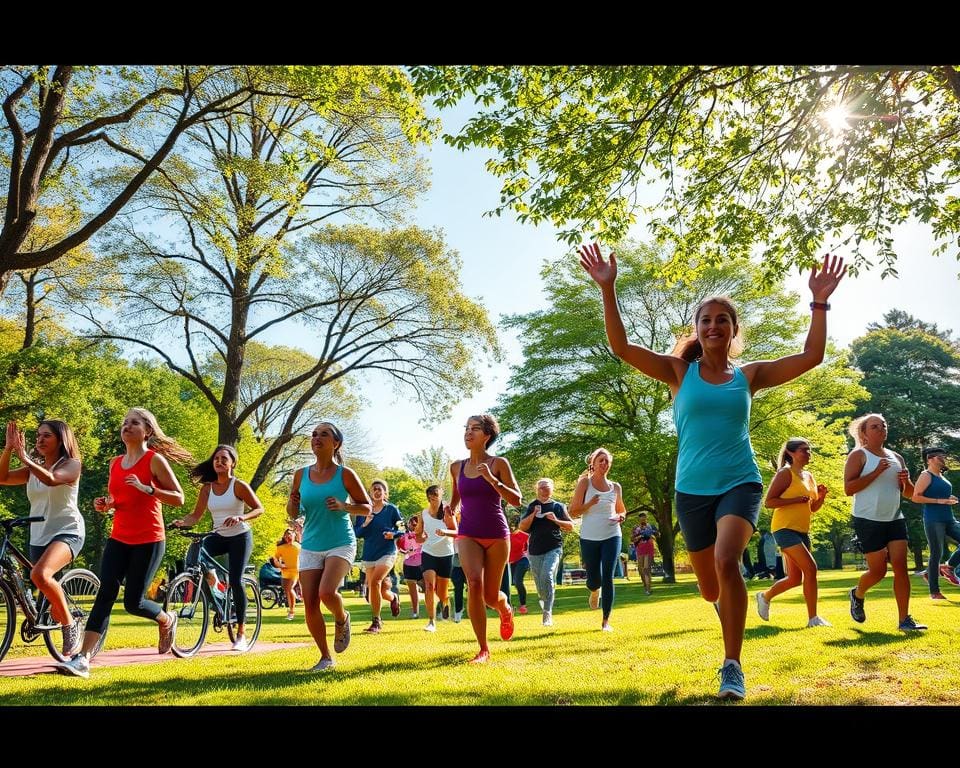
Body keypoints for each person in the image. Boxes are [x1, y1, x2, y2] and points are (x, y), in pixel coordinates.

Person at [580, 241, 845, 700]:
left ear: (733, 329)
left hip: (740, 483)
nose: (713, 325)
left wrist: (819, 302)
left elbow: (810, 357)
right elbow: (621, 347)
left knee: (728, 561)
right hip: (692, 491)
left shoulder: (750, 375)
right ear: (697, 330)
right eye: (706, 319)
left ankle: (732, 665)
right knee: (709, 588)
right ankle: (726, 615)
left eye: (722, 319)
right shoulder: (678, 372)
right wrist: (608, 288)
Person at [58, 407, 192, 678]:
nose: (127, 426)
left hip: (149, 539)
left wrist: (149, 489)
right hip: (119, 537)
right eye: (124, 423)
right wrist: (105, 505)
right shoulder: (115, 463)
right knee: (105, 593)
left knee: (134, 603)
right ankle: (83, 658)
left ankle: (167, 619)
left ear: (148, 431)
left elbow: (179, 498)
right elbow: (117, 499)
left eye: (134, 423)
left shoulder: (154, 461)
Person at [288, 422, 372, 671]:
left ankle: (341, 617)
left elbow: (366, 507)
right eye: (314, 434)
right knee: (311, 603)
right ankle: (326, 657)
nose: (317, 438)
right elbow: (293, 511)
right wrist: (292, 503)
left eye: (324, 434)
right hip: (311, 544)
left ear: (336, 443)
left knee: (327, 593)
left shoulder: (345, 474)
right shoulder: (300, 475)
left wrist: (345, 506)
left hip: (340, 542)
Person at [0, 420, 84, 657]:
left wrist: (24, 457)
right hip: (38, 535)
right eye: (38, 435)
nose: (40, 439)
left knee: (40, 574)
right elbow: (2, 477)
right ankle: (59, 617)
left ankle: (71, 625)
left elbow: (52, 479)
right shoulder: (32, 470)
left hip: (67, 531)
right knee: (49, 600)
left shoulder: (72, 465)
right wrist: (8, 449)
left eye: (46, 435)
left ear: (61, 440)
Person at [172, 444, 264, 650]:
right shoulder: (207, 489)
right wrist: (182, 521)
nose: (219, 462)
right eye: (216, 459)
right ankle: (217, 590)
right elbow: (195, 516)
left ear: (232, 463)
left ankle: (241, 633)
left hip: (240, 537)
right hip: (218, 535)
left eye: (224, 458)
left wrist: (242, 516)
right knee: (195, 558)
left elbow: (259, 508)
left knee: (236, 579)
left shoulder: (238, 486)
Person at [448, 413, 522, 663]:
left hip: (497, 534)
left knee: (491, 596)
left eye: (475, 429)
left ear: (487, 436)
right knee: (474, 584)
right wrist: (451, 508)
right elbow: (457, 495)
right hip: (468, 532)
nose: (469, 432)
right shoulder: (456, 467)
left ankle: (504, 608)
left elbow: (516, 500)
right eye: (467, 428)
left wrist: (492, 480)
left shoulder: (499, 463)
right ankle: (483, 649)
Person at [845, 414, 926, 632]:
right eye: (875, 426)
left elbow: (909, 493)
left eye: (883, 425)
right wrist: (876, 472)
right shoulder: (858, 456)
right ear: (864, 433)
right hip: (867, 519)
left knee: (901, 567)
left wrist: (906, 481)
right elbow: (849, 489)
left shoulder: (897, 457)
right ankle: (857, 593)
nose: (881, 429)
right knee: (878, 571)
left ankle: (904, 620)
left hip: (894, 518)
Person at [755, 438, 830, 627]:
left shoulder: (809, 476)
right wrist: (795, 500)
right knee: (811, 568)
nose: (808, 453)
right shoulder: (785, 474)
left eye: (809, 450)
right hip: (784, 528)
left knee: (796, 578)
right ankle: (813, 618)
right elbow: (769, 502)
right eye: (804, 450)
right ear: (791, 453)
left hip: (802, 530)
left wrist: (820, 497)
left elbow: (812, 508)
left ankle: (765, 596)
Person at [569, 448, 627, 632]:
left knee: (608, 576)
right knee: (594, 579)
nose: (604, 463)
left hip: (612, 534)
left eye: (607, 461)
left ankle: (606, 621)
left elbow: (621, 509)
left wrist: (621, 516)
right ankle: (594, 590)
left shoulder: (615, 487)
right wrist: (589, 504)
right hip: (589, 536)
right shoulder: (585, 482)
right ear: (593, 463)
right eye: (600, 460)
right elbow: (573, 511)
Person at [519, 478, 573, 626]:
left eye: (547, 487)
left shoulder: (558, 506)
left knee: (547, 575)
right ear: (537, 489)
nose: (544, 490)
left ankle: (547, 613)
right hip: (535, 550)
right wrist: (533, 514)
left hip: (554, 547)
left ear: (552, 489)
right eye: (541, 487)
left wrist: (556, 520)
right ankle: (544, 598)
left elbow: (570, 526)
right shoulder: (531, 506)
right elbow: (522, 527)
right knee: (539, 583)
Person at [355, 478, 403, 633]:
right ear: (369, 493)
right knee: (378, 590)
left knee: (375, 582)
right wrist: (365, 523)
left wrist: (393, 534)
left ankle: (376, 621)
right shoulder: (363, 511)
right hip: (369, 553)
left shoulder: (392, 509)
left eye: (379, 489)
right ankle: (393, 597)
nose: (376, 491)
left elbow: (402, 529)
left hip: (388, 551)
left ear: (385, 493)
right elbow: (357, 533)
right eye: (373, 489)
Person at [912, 447, 960, 599]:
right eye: (940, 456)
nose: (943, 459)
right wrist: (939, 500)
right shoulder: (926, 475)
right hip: (934, 519)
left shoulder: (941, 476)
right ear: (930, 459)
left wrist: (949, 498)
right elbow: (916, 497)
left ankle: (949, 566)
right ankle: (935, 591)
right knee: (936, 553)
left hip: (949, 518)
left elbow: (940, 493)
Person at [416, 485, 456, 632]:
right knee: (429, 586)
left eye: (435, 496)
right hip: (428, 552)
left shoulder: (448, 512)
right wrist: (422, 536)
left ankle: (445, 601)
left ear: (441, 496)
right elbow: (418, 538)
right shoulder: (424, 514)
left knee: (441, 592)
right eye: (430, 497)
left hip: (446, 553)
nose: (433, 500)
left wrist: (445, 531)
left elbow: (457, 532)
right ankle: (431, 622)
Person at [397, 516, 423, 617]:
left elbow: (423, 547)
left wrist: (414, 551)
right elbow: (400, 548)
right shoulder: (404, 536)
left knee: (428, 587)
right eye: (411, 524)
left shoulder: (422, 535)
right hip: (408, 564)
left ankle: (437, 607)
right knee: (412, 589)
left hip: (422, 564)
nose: (412, 526)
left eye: (415, 524)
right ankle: (415, 612)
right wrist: (405, 552)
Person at [272, 528, 301, 619]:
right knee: (287, 590)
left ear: (294, 536)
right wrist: (280, 565)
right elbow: (275, 559)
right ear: (284, 537)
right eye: (287, 535)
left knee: (290, 588)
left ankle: (292, 611)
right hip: (285, 571)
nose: (289, 536)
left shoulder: (298, 546)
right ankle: (291, 610)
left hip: (296, 571)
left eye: (290, 534)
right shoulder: (280, 548)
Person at [631, 512, 659, 595]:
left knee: (646, 569)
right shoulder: (636, 528)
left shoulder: (651, 527)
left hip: (649, 549)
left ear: (646, 518)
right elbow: (632, 539)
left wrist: (652, 535)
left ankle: (648, 589)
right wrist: (639, 536)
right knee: (641, 569)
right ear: (639, 519)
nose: (643, 519)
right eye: (641, 518)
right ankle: (645, 585)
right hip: (640, 550)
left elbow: (658, 535)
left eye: (644, 518)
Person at [507, 518, 530, 613]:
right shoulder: (502, 536)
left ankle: (523, 605)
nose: (511, 527)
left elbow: (531, 545)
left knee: (517, 581)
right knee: (507, 584)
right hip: (508, 563)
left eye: (513, 524)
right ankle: (507, 607)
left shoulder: (523, 535)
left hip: (522, 560)